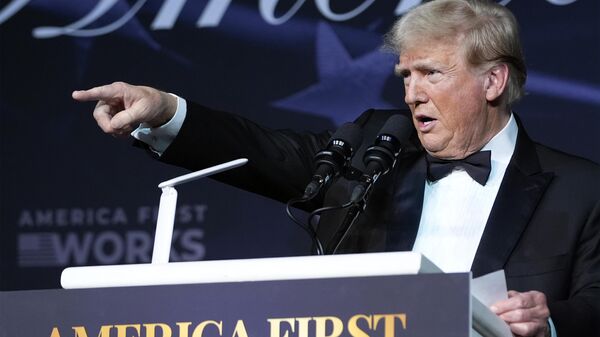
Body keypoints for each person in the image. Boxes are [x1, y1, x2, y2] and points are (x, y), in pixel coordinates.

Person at [72, 0, 600, 336]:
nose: (412, 93)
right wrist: (165, 110)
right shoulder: (377, 148)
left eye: (432, 74)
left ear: (493, 81)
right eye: (406, 75)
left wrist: (550, 320)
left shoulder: (581, 189)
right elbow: (264, 150)